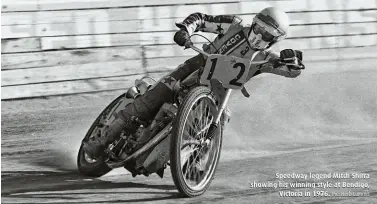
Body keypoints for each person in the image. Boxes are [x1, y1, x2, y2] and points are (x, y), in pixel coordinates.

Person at [83, 7, 305, 159]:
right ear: (254, 22)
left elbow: (291, 72)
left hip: (218, 94)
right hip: (195, 67)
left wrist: (293, 62)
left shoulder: (267, 57)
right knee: (151, 100)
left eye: (267, 35)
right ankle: (99, 142)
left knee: (221, 121)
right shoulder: (234, 26)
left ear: (274, 40)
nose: (259, 36)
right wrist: (185, 31)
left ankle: (196, 164)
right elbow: (201, 19)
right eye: (258, 28)